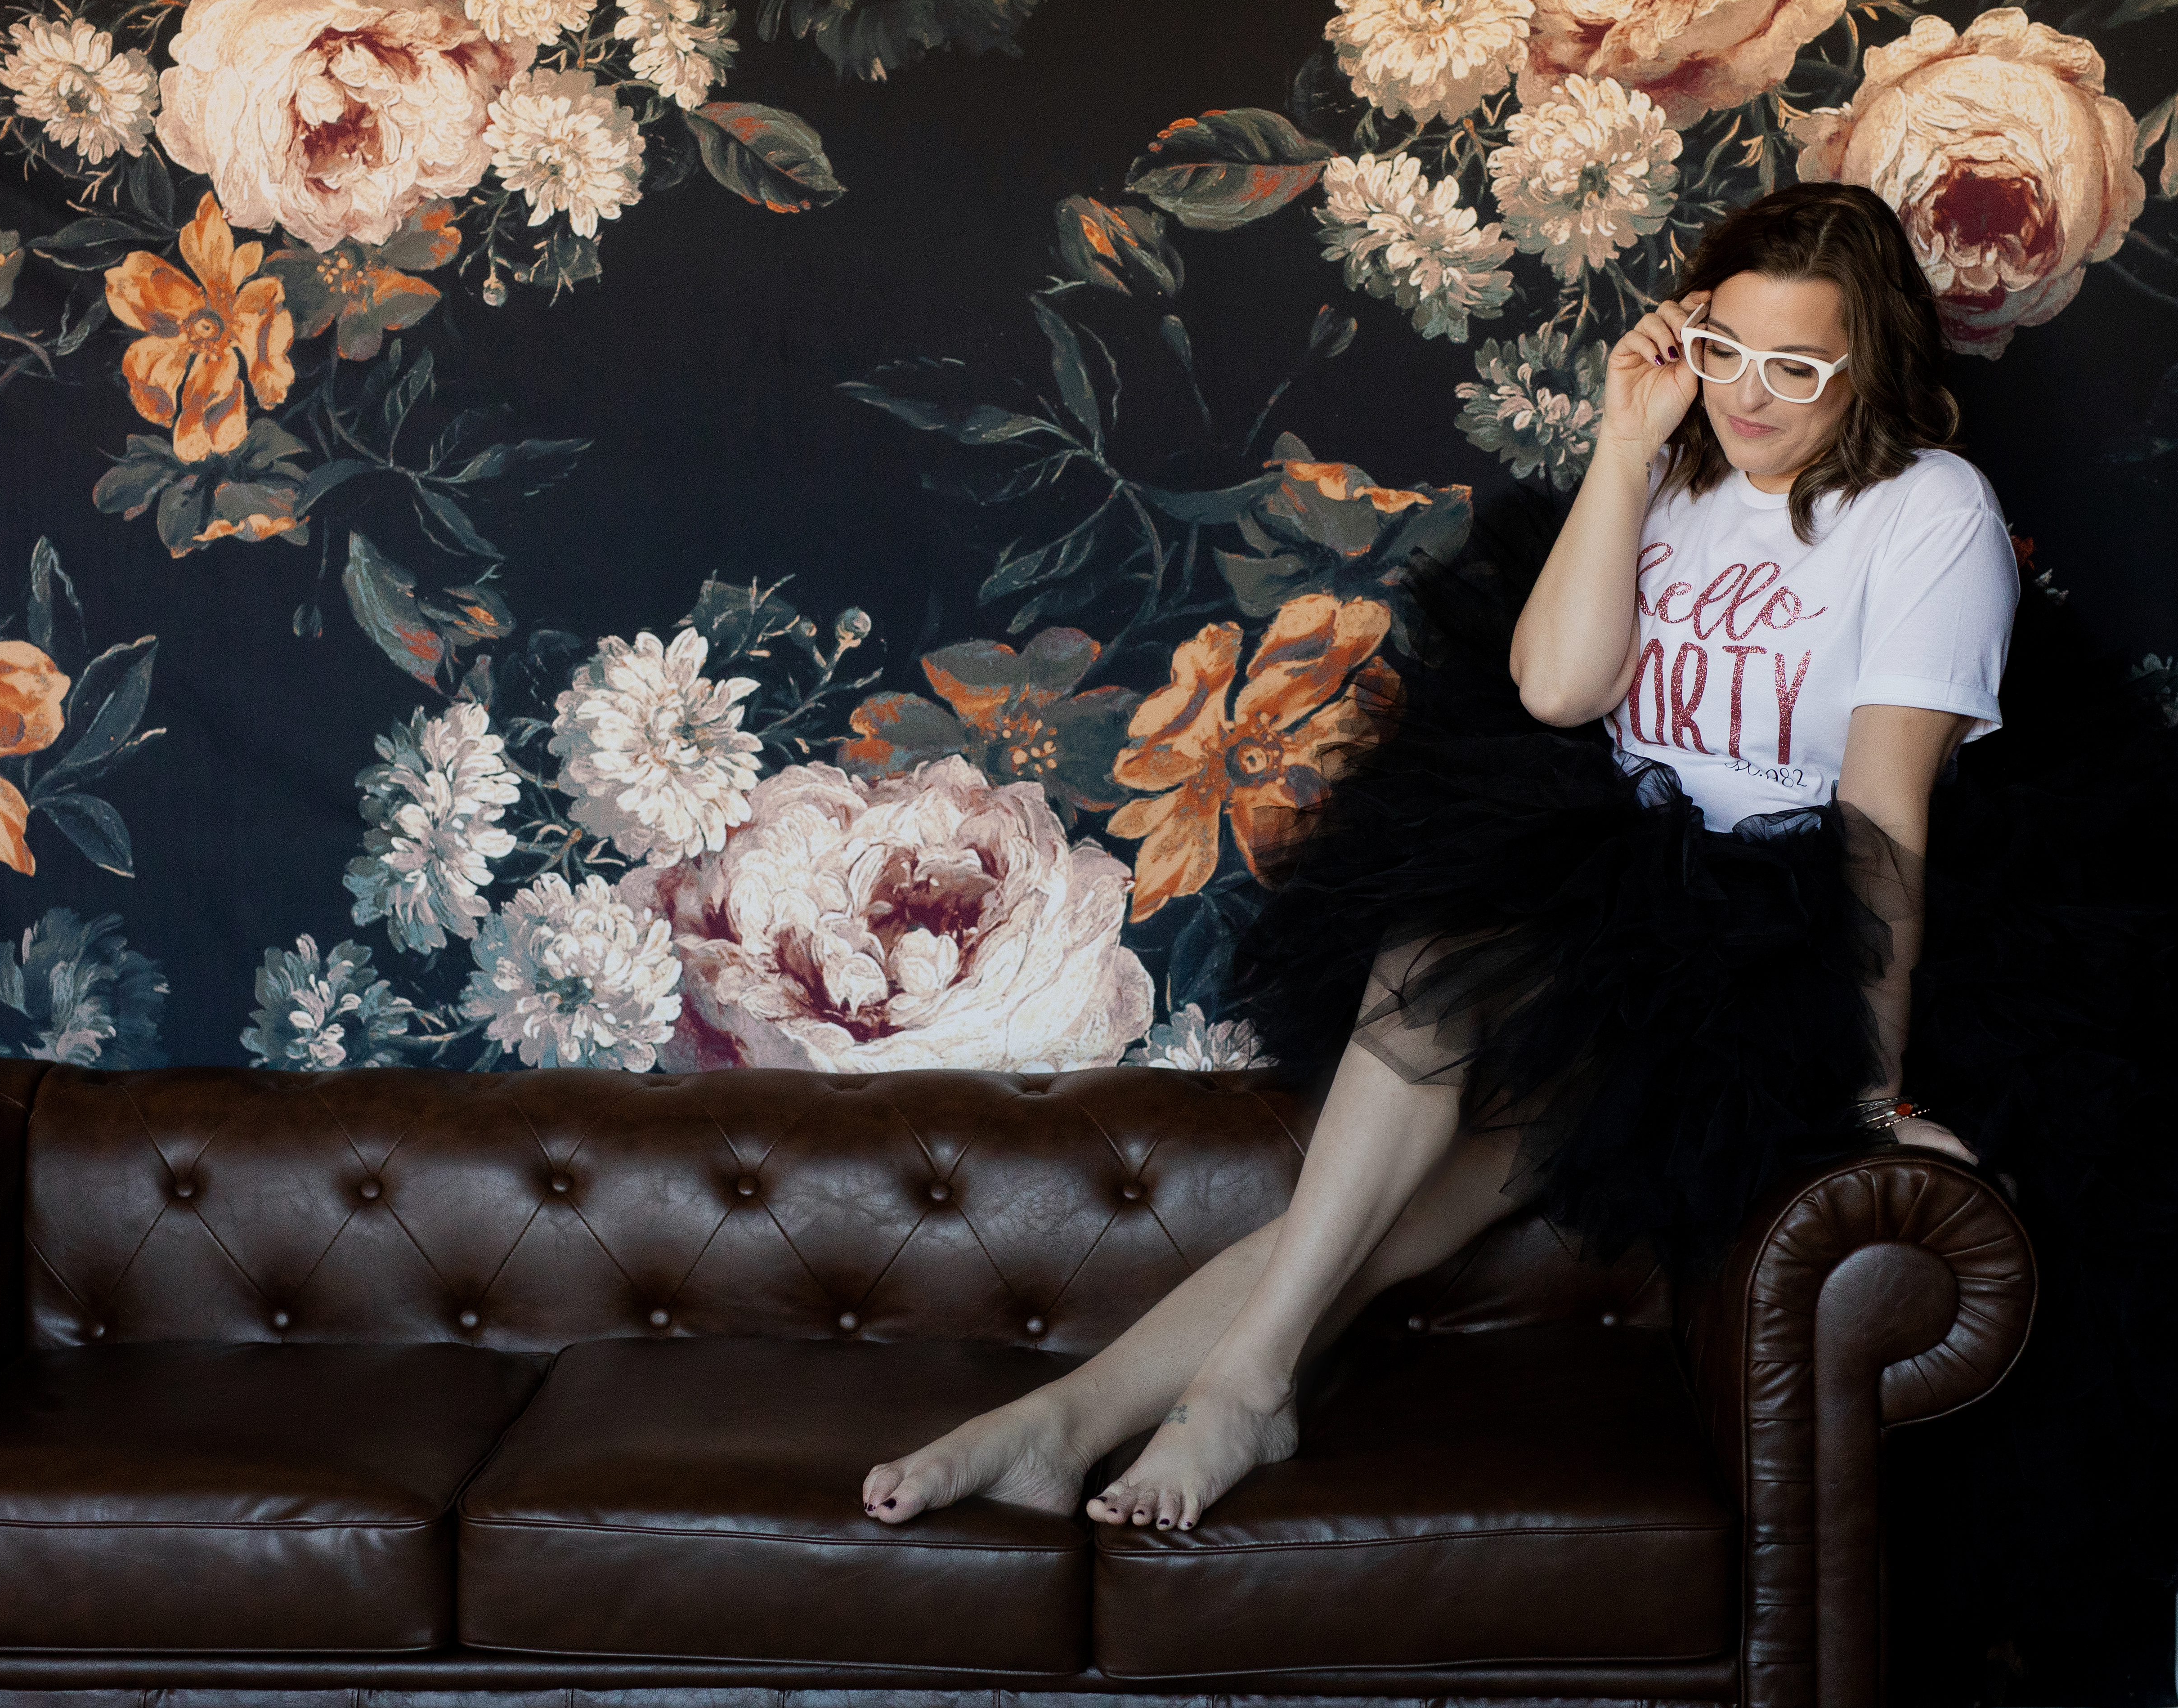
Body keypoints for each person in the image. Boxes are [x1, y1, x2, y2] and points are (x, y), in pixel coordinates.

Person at [859, 184, 2174, 1582]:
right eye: (1725, 349)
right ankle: (1091, 1416)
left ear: (1873, 368)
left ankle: (1194, 1400)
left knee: (1434, 1026)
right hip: (1614, 899)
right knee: (1400, 1156)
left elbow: (1885, 813)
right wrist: (1626, 443)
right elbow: (1557, 688)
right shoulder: (1681, 474)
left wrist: (1873, 1091)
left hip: (1779, 950)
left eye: (1798, 368)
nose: (1752, 395)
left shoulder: (1927, 512)